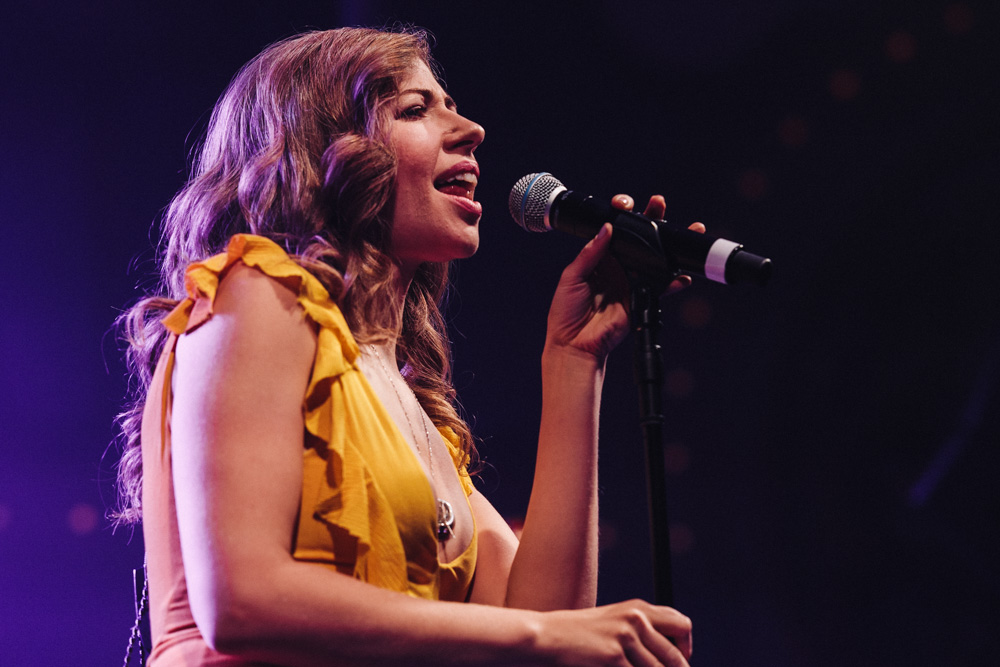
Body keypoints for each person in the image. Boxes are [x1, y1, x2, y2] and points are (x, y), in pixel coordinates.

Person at [114, 26, 697, 666]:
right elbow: (242, 601)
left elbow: (544, 621)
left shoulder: (409, 410)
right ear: (324, 152)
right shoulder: (257, 295)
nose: (471, 128)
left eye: (449, 104)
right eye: (415, 109)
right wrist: (544, 637)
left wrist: (575, 362)